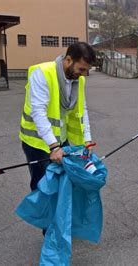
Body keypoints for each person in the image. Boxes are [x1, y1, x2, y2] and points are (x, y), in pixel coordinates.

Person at [19, 42, 96, 191]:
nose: (84, 74)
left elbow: (82, 109)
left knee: (63, 181)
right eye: (81, 69)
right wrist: (54, 147)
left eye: (87, 70)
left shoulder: (78, 79)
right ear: (68, 60)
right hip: (37, 143)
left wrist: (87, 139)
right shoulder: (42, 72)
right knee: (42, 186)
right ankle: (42, 213)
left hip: (61, 139)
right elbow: (38, 112)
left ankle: (59, 212)